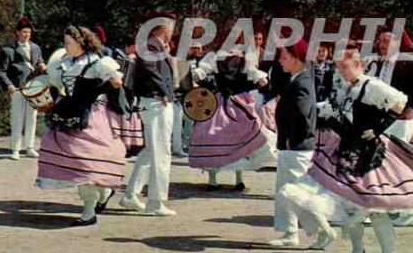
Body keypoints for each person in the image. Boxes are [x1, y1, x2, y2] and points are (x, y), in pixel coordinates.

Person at [278, 44, 413, 253]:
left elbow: (399, 103)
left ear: (358, 65)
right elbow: (334, 110)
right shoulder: (344, 87)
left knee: (375, 208)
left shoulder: (371, 86)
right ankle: (357, 251)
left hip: (369, 155)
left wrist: (379, 128)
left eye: (344, 67)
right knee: (349, 205)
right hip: (346, 150)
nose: (340, 71)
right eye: (338, 67)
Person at [35, 26, 127, 226]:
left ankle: (89, 211)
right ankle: (101, 197)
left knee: (88, 163)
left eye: (69, 41)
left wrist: (102, 85)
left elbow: (118, 81)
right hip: (69, 112)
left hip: (92, 116)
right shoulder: (64, 62)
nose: (66, 45)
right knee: (77, 166)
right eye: (65, 41)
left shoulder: (97, 61)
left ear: (81, 42)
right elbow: (55, 84)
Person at [367, 30, 413, 227]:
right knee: (382, 163)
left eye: (387, 42)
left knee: (398, 164)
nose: (382, 45)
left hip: (399, 120)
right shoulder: (380, 62)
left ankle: (409, 212)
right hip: (383, 119)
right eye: (380, 41)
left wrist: (411, 107)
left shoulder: (410, 62)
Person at [188, 36, 275, 190]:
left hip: (237, 102)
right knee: (213, 137)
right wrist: (198, 74)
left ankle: (237, 179)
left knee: (240, 138)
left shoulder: (242, 59)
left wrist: (260, 78)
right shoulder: (215, 58)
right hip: (222, 101)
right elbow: (201, 71)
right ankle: (214, 179)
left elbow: (254, 72)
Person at [119, 13, 178, 216]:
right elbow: (152, 71)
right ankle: (156, 202)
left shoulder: (157, 46)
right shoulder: (152, 45)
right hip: (155, 102)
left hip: (154, 101)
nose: (173, 32)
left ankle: (130, 195)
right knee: (162, 151)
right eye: (172, 28)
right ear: (163, 28)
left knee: (150, 152)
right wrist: (164, 92)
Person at [268, 39, 317, 247]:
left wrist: (291, 139)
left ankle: (319, 232)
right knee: (287, 192)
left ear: (297, 59)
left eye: (285, 57)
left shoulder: (302, 81)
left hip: (296, 147)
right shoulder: (298, 78)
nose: (281, 61)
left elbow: (302, 113)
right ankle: (290, 233)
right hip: (292, 146)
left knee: (298, 194)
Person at [0, 17, 46, 160]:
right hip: (17, 88)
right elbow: (1, 71)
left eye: (28, 32)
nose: (26, 35)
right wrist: (9, 85)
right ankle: (15, 149)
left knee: (32, 118)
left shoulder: (36, 48)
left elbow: (39, 62)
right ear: (17, 33)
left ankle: (29, 147)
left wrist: (42, 66)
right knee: (17, 119)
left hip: (33, 87)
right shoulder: (8, 50)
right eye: (24, 32)